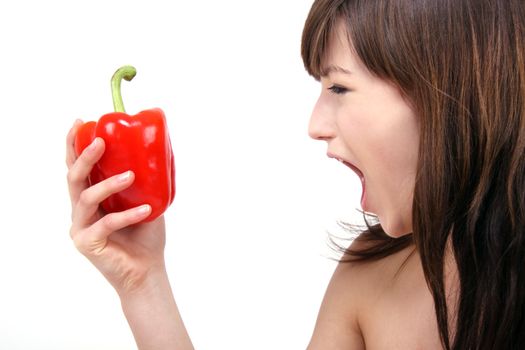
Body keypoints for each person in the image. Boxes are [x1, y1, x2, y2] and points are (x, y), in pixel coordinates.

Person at [66, 0, 525, 349]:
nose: (315, 125)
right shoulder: (371, 274)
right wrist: (143, 282)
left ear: (446, 93)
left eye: (340, 87)